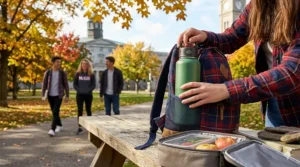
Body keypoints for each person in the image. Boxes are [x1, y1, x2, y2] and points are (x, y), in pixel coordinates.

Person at [177, 0, 300, 128]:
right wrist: (205, 36)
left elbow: (291, 72)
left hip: (295, 100)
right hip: (275, 101)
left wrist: (226, 90)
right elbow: (232, 38)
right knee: (275, 147)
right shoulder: (256, 6)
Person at [42, 57, 69, 136]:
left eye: (60, 62)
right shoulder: (48, 72)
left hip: (59, 95)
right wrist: (43, 95)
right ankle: (59, 125)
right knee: (55, 113)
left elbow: (66, 84)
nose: (59, 64)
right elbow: (44, 84)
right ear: (53, 63)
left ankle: (52, 129)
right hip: (50, 95)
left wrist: (67, 95)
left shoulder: (62, 73)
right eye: (57, 62)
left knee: (55, 111)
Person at [73, 59, 96, 135]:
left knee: (88, 110)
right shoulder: (78, 74)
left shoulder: (91, 74)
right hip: (79, 95)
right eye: (83, 64)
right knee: (80, 110)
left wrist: (89, 90)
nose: (84, 65)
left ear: (88, 65)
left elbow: (93, 85)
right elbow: (75, 84)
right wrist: (78, 90)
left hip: (88, 95)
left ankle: (90, 128)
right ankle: (80, 128)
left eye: (86, 64)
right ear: (81, 65)